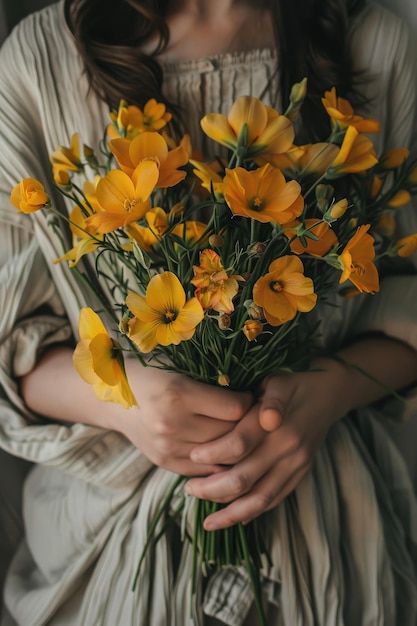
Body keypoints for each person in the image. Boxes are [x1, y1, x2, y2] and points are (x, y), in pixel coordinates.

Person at [0, 0, 417, 624]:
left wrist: (327, 394)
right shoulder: (40, 58)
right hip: (109, 528)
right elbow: (13, 346)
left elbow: (406, 299)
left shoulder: (373, 39)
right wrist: (125, 399)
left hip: (326, 522)